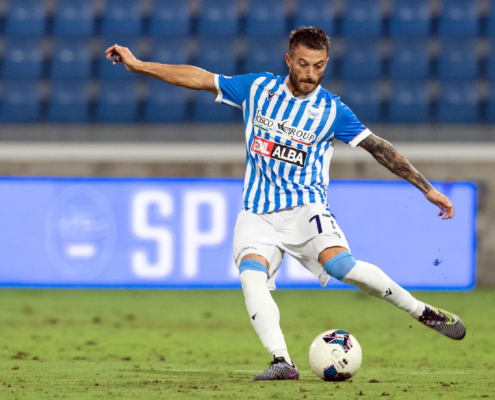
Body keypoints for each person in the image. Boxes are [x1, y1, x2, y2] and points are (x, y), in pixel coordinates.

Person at [105, 26, 465, 381]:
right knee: (251, 276)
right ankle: (282, 361)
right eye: (304, 64)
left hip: (306, 209)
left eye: (319, 66)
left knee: (343, 267)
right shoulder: (257, 89)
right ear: (289, 59)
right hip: (257, 212)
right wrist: (139, 65)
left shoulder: (332, 110)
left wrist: (426, 188)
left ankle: (422, 311)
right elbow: (199, 78)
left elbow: (378, 147)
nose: (310, 74)